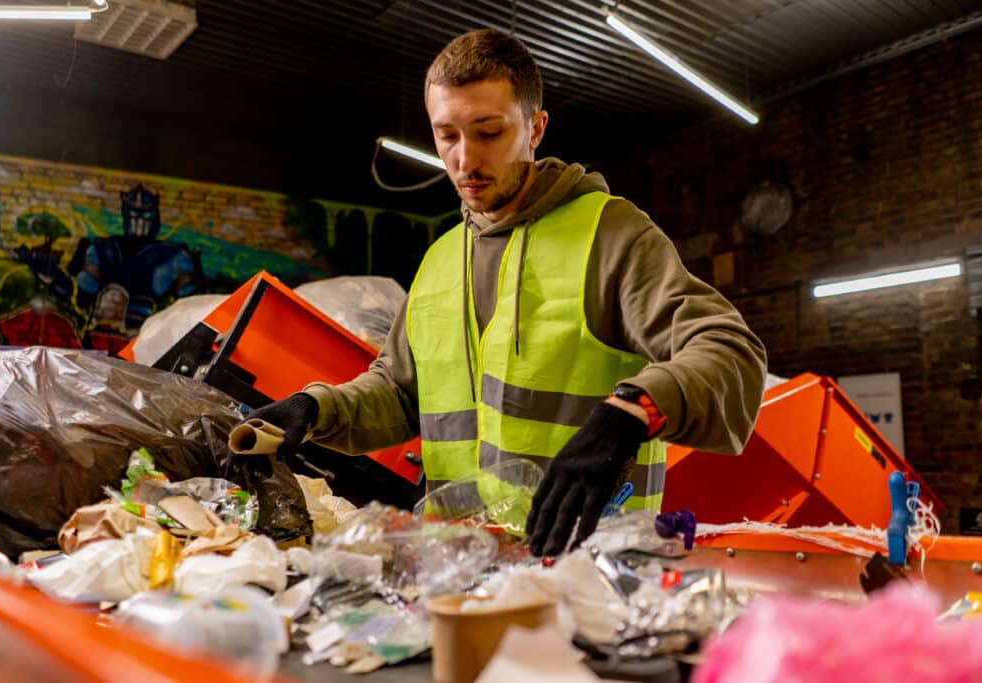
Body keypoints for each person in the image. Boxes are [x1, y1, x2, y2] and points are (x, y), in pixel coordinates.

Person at [242, 29, 767, 557]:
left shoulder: (610, 235)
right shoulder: (442, 258)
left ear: (535, 128)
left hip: (593, 568)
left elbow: (728, 352)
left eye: (489, 132)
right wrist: (314, 409)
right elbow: (402, 393)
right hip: (459, 565)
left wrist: (632, 413)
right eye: (446, 135)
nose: (465, 160)